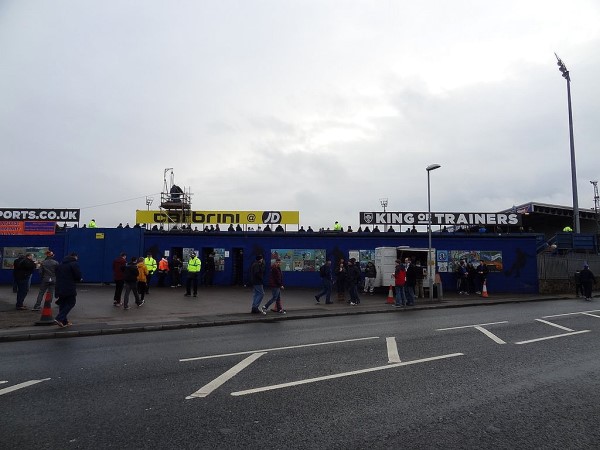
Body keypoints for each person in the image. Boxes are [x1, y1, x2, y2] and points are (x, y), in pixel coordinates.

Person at [54, 252, 82, 327]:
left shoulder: (61, 264)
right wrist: (79, 279)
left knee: (62, 304)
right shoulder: (74, 264)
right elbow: (77, 275)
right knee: (71, 302)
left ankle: (64, 322)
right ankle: (59, 318)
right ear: (75, 257)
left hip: (59, 286)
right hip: (69, 286)